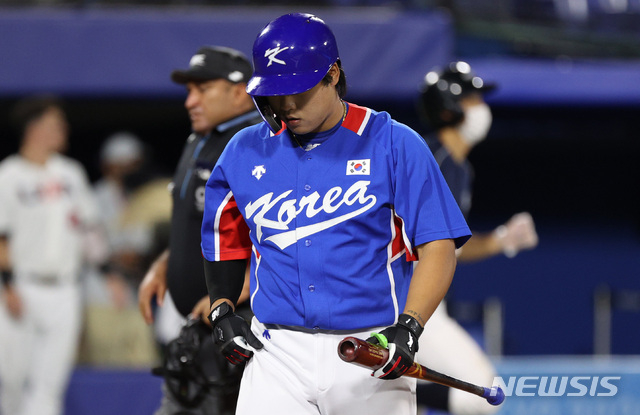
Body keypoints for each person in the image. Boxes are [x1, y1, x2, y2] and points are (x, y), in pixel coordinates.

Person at [200, 13, 471, 415]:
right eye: (276, 93)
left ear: (333, 74)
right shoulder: (243, 151)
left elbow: (438, 245)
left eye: (299, 91)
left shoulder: (394, 143)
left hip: (369, 349)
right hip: (277, 352)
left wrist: (410, 327)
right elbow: (223, 238)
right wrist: (221, 307)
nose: (286, 105)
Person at [137, 45, 261, 415]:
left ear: (239, 92)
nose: (190, 101)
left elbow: (282, 232)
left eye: (202, 89)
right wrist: (165, 264)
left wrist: (238, 288)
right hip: (198, 322)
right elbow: (193, 222)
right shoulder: (199, 139)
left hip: (239, 319)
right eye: (189, 90)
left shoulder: (259, 143)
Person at [414, 61, 539, 415]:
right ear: (449, 105)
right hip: (407, 301)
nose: (481, 108)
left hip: (425, 300)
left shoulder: (458, 166)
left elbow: (450, 246)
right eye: (472, 99)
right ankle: (398, 385)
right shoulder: (426, 157)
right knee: (485, 394)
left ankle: (401, 387)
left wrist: (502, 239)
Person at [0, 95, 102, 415]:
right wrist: (8, 285)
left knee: (50, 383)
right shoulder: (9, 174)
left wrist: (108, 272)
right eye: (55, 124)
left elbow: (89, 229)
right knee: (12, 380)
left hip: (66, 288)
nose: (63, 130)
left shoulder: (70, 173)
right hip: (21, 287)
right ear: (34, 128)